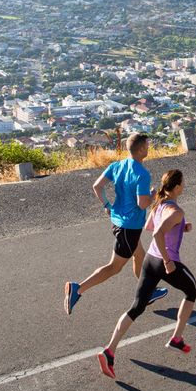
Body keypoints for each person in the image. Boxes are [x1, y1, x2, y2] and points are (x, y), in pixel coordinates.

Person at [98, 169, 196, 379]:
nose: (184, 185)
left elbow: (148, 226)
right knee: (192, 291)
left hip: (149, 261)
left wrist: (181, 228)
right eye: (183, 182)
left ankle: (109, 350)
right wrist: (169, 261)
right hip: (164, 261)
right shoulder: (176, 211)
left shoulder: (159, 203)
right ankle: (177, 338)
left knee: (137, 307)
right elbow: (157, 232)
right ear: (178, 186)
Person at [64, 133, 167, 315]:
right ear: (142, 149)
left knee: (139, 256)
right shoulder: (142, 173)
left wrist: (107, 205)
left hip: (119, 221)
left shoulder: (117, 165)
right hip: (129, 227)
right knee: (114, 267)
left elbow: (97, 186)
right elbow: (142, 204)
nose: (149, 148)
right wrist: (153, 195)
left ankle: (147, 292)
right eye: (147, 145)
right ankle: (77, 289)